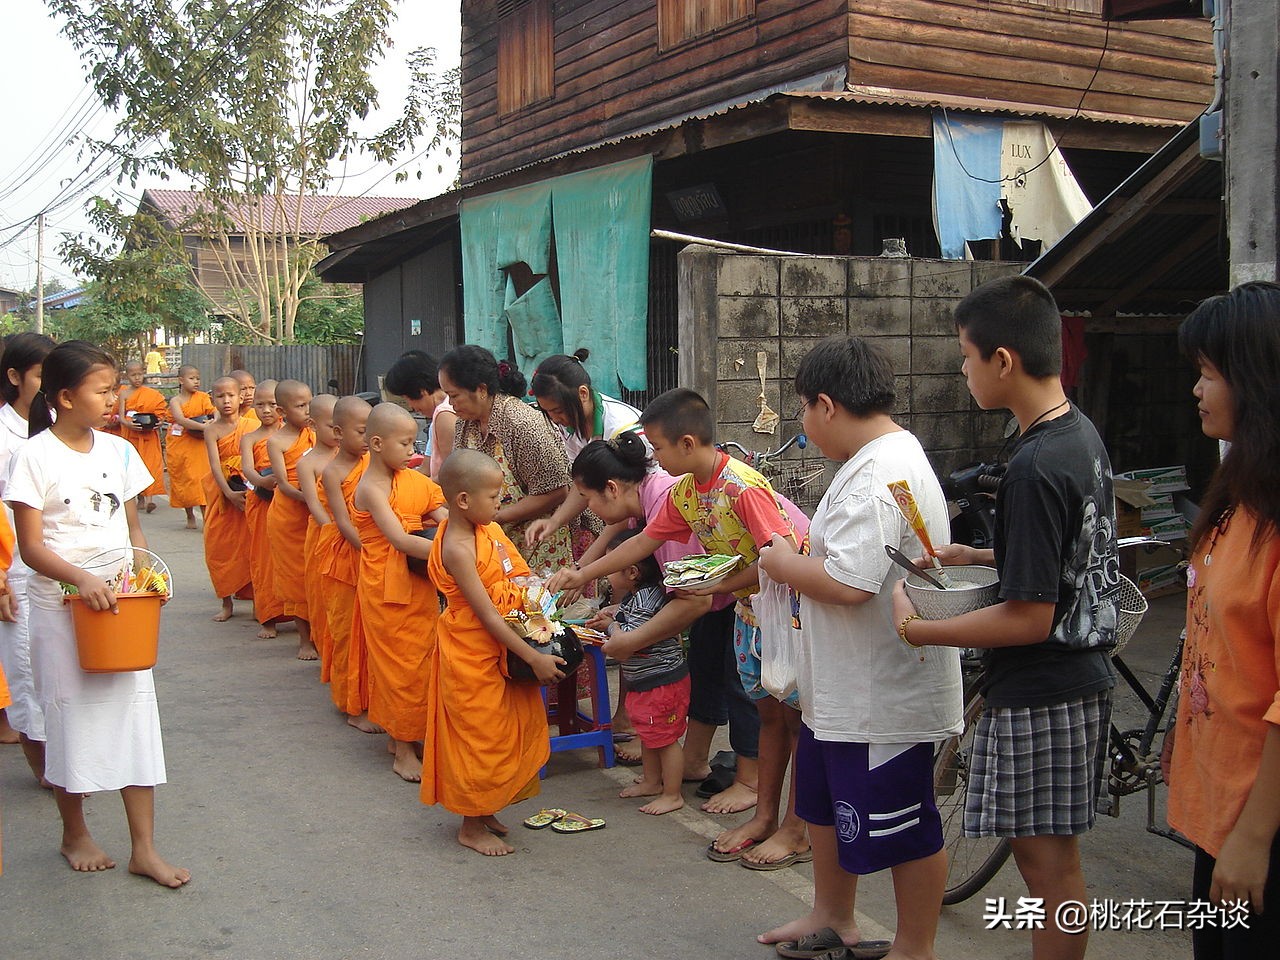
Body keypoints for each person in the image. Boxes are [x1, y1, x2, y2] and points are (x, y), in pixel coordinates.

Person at [891, 275, 1120, 960]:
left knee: (1049, 875)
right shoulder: (1075, 435)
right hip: (1073, 681)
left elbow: (1027, 617)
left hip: (1046, 688)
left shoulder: (1034, 464)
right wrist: (977, 551)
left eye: (965, 357)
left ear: (1002, 362)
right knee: (1051, 869)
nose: (962, 371)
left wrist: (921, 628)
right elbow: (1064, 557)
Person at [548, 388, 811, 869]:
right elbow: (647, 540)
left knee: (797, 723)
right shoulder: (688, 491)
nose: (652, 459)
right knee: (769, 716)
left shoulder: (742, 488)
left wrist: (719, 583)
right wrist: (582, 573)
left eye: (659, 448)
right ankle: (765, 817)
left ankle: (796, 827)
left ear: (687, 443)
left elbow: (783, 559)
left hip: (792, 614)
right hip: (752, 614)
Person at [758, 336, 960, 960]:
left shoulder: (877, 475)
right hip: (842, 686)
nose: (802, 425)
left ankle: (914, 947)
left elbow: (848, 583)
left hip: (880, 694)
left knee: (907, 827)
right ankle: (832, 915)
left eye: (801, 410)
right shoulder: (884, 454)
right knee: (821, 805)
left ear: (826, 404)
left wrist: (783, 561)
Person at [5, 339, 189, 887]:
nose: (114, 400)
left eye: (114, 389)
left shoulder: (118, 451)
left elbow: (132, 528)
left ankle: (144, 848)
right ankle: (75, 832)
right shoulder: (33, 455)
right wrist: (81, 580)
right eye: (103, 390)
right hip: (61, 608)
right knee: (69, 719)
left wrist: (145, 574)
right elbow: (31, 547)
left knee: (136, 718)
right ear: (64, 396)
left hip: (121, 606)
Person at [1167, 282, 1280, 959]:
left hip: (1257, 824)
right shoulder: (1240, 494)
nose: (1197, 391)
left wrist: (1254, 837)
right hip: (1221, 808)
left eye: (1209, 373)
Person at [421, 448, 564, 856]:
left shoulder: (488, 530)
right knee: (479, 735)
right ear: (463, 500)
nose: (501, 502)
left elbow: (514, 571)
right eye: (494, 495)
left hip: (508, 639)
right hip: (472, 648)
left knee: (507, 729)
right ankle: (470, 824)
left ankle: (485, 810)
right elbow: (486, 615)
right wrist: (534, 657)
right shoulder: (458, 548)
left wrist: (537, 590)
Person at [352, 403, 447, 782]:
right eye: (405, 443)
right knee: (398, 666)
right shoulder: (370, 488)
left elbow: (442, 514)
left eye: (414, 442)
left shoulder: (413, 481)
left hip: (419, 584)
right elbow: (400, 539)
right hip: (385, 587)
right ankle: (404, 750)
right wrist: (455, 555)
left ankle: (404, 734)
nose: (413, 450)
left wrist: (466, 536)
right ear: (377, 443)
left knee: (423, 660)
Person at [438, 345, 573, 574]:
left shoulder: (521, 424)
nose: (451, 404)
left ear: (481, 389)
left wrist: (497, 517)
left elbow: (557, 490)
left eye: (454, 396)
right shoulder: (463, 423)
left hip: (539, 542)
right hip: (495, 542)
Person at [600, 528, 690, 816]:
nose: (606, 573)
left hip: (660, 681)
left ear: (632, 572)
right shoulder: (639, 596)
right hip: (648, 680)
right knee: (650, 732)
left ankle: (672, 793)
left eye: (611, 565)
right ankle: (652, 781)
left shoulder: (645, 599)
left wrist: (610, 627)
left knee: (665, 738)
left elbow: (629, 635)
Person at [0, 331, 54, 784]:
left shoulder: (63, 424)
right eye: (42, 375)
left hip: (66, 569)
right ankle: (46, 772)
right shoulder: (2, 433)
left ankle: (71, 760)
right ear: (15, 376)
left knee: (66, 672)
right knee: (25, 672)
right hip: (14, 570)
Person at [320, 396, 378, 733]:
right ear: (339, 433)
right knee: (346, 632)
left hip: (375, 552)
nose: (369, 438)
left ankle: (373, 697)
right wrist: (371, 549)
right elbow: (344, 522)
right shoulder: (333, 471)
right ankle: (351, 705)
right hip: (348, 555)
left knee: (372, 632)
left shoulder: (375, 462)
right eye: (361, 431)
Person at [266, 380, 317, 661]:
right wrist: (311, 498)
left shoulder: (317, 433)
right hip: (290, 515)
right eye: (300, 406)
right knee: (296, 579)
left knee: (316, 574)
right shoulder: (276, 441)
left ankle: (321, 633)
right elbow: (283, 485)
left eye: (309, 403)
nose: (307, 410)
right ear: (282, 411)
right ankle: (304, 640)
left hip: (315, 511)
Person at [202, 376, 253, 621]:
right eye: (220, 396)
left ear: (240, 397)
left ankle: (258, 601)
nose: (226, 401)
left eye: (231, 395)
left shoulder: (251, 426)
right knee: (218, 546)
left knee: (251, 546)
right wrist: (229, 493)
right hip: (222, 492)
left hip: (247, 490)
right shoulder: (211, 430)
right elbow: (214, 465)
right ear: (213, 399)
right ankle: (226, 602)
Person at [298, 394, 339, 675]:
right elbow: (314, 504)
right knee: (323, 598)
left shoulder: (357, 456)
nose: (338, 433)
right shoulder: (308, 463)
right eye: (332, 426)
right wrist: (334, 533)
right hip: (325, 534)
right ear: (312, 425)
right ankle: (329, 655)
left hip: (355, 532)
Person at [241, 380, 284, 639]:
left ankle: (297, 612)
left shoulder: (294, 435)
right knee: (263, 559)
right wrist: (261, 481)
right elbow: (248, 469)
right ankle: (267, 615)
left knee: (289, 559)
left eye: (272, 405)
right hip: (262, 501)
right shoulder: (250, 438)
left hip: (289, 503)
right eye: (260, 404)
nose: (266, 410)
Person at [383, 350, 456, 477]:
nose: (411, 406)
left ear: (421, 391)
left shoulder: (445, 415)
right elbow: (426, 469)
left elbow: (452, 475)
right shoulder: (437, 418)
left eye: (407, 399)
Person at [111, 360, 167, 514]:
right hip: (131, 436)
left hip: (149, 436)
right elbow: (121, 417)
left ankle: (149, 499)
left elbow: (160, 415)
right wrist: (129, 425)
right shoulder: (124, 394)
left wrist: (159, 423)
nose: (137, 378)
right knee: (133, 467)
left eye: (140, 374)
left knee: (151, 465)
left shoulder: (152, 395)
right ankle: (139, 498)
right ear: (127, 376)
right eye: (133, 375)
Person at [165, 365, 216, 530]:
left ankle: (206, 517)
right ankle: (189, 515)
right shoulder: (176, 401)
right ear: (181, 380)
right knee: (185, 479)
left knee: (201, 479)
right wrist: (204, 427)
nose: (196, 382)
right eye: (192, 378)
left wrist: (212, 422)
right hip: (182, 444)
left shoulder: (202, 397)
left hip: (199, 444)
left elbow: (215, 412)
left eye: (198, 378)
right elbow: (181, 420)